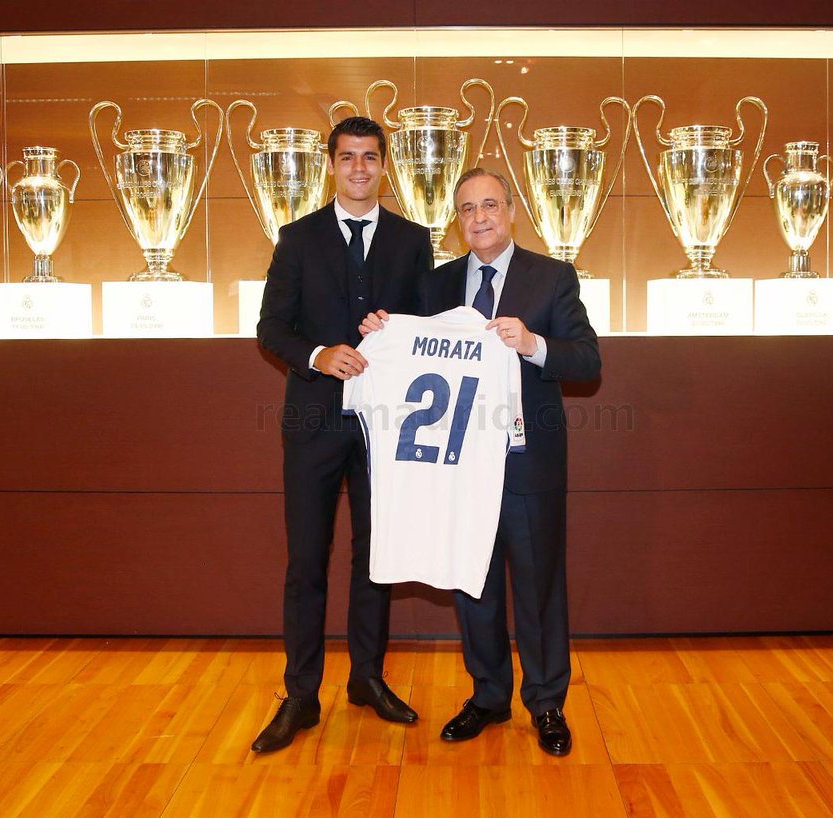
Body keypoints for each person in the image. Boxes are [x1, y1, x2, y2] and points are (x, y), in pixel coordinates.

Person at [366, 167, 600, 756]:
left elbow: (586, 360)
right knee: (473, 581)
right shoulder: (435, 284)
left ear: (512, 211)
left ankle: (547, 703)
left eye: (490, 205)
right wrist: (379, 332)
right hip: (458, 465)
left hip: (527, 463)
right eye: (468, 209)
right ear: (457, 220)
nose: (480, 218)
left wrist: (532, 343)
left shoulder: (552, 277)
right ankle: (489, 695)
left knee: (539, 586)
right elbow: (409, 347)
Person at [253, 116, 433, 753]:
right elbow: (271, 327)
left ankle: (366, 678)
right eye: (349, 156)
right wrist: (318, 354)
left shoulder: (414, 241)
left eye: (370, 157)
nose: (360, 168)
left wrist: (401, 328)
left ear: (385, 166)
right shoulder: (296, 238)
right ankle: (301, 695)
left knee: (375, 559)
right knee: (306, 560)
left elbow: (428, 328)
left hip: (386, 424)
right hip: (312, 423)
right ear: (331, 165)